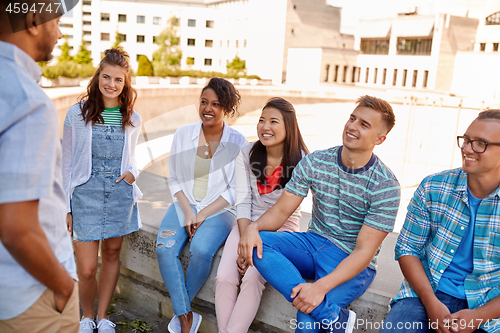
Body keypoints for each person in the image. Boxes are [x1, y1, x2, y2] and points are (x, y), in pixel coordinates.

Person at [239, 95, 401, 333]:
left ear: (380, 138)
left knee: (306, 324)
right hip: (313, 242)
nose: (352, 126)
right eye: (352, 118)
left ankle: (321, 311)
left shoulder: (385, 186)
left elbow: (364, 252)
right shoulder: (316, 161)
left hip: (350, 260)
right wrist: (252, 229)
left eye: (364, 124)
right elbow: (282, 210)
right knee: (256, 244)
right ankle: (333, 317)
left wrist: (320, 287)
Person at [381, 110, 500, 333]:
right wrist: (430, 302)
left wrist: (479, 316)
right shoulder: (433, 187)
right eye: (466, 140)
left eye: (480, 143)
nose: (466, 149)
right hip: (427, 291)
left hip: (490, 305)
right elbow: (408, 248)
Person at [0, 2, 79, 332]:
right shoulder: (29, 102)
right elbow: (17, 228)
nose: (60, 32)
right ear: (33, 20)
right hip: (31, 295)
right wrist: (63, 287)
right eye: (57, 20)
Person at [156, 77, 247, 333]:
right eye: (204, 102)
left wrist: (202, 214)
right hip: (185, 203)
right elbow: (174, 178)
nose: (208, 108)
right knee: (164, 247)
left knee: (202, 249)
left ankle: (181, 315)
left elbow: (234, 190)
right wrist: (188, 212)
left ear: (227, 109)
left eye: (216, 104)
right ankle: (186, 317)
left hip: (221, 209)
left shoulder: (239, 142)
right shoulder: (183, 134)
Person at [62, 48, 143, 333]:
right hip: (85, 194)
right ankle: (86, 316)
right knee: (85, 268)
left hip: (119, 193)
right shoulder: (77, 113)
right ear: (98, 77)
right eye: (106, 77)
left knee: (111, 256)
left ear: (126, 83)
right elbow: (67, 162)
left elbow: (133, 156)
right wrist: (66, 207)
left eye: (118, 80)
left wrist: (134, 172)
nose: (111, 84)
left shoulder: (131, 117)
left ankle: (104, 317)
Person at [215, 97, 309, 333]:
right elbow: (244, 202)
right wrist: (246, 237)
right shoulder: (246, 154)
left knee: (253, 279)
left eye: (273, 121)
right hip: (245, 224)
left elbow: (285, 213)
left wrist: (252, 244)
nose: (265, 127)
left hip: (282, 232)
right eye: (261, 120)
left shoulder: (302, 162)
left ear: (289, 127)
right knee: (225, 277)